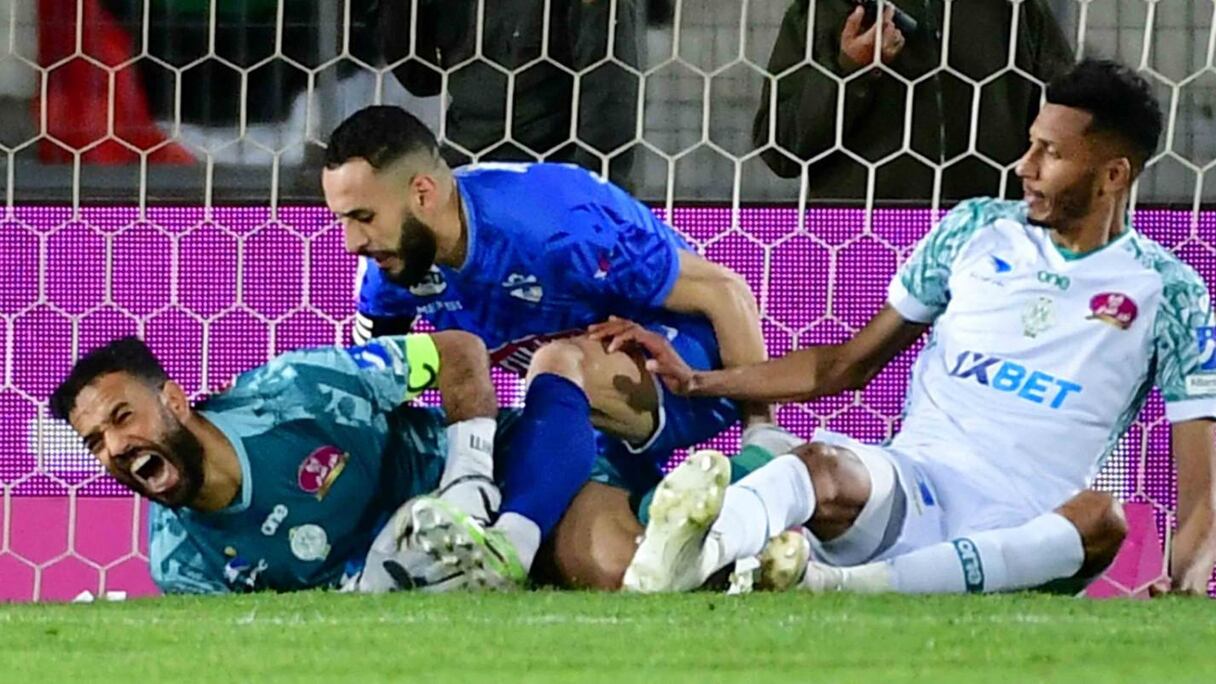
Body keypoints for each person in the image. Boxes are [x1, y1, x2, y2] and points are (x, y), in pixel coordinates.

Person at [606, 59, 1216, 596]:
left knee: (1104, 518)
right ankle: (691, 558)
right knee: (818, 464)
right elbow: (845, 365)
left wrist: (1187, 577)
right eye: (1031, 144)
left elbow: (1203, 485)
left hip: (1030, 528)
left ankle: (829, 585)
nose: (1024, 166)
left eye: (1050, 154)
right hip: (917, 486)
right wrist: (700, 382)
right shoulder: (975, 230)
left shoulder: (1169, 292)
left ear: (1113, 175)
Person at [321, 105, 773, 588]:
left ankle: (510, 545)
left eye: (363, 217)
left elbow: (726, 292)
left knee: (557, 361)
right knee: (600, 564)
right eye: (343, 220)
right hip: (581, 412)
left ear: (423, 193)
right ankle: (759, 555)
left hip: (690, 368)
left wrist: (761, 434)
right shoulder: (388, 274)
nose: (351, 242)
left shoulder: (555, 226)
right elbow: (373, 398)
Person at [48, 332, 594, 593]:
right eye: (94, 442)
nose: (114, 447)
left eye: (123, 417)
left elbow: (458, 351)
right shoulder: (181, 565)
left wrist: (467, 483)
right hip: (410, 586)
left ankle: (511, 541)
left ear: (173, 400)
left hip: (514, 483)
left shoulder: (295, 391)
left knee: (602, 563)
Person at [753, 0, 1073, 201]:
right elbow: (781, 150)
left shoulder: (1016, 9)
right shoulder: (826, 10)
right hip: (864, 243)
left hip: (990, 241)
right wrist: (849, 71)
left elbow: (1072, 122)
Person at [375, 0, 641, 189]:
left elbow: (610, 95)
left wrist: (588, 199)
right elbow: (421, 79)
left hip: (546, 177)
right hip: (464, 171)